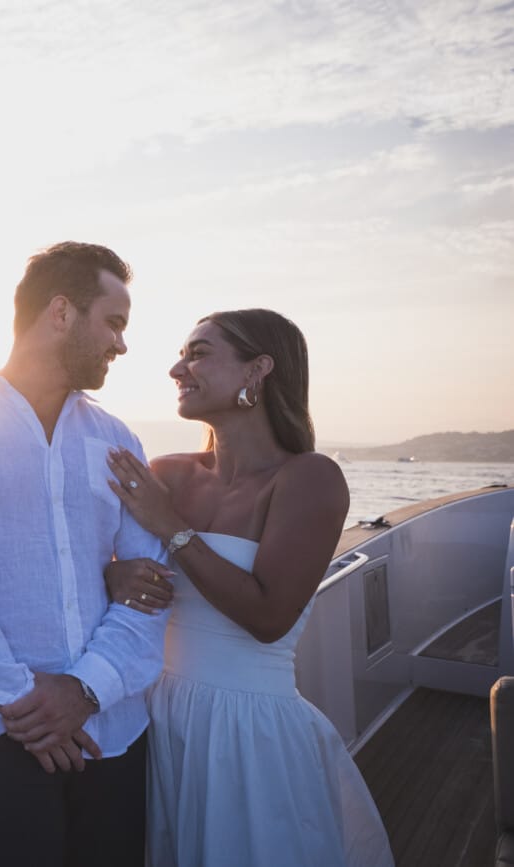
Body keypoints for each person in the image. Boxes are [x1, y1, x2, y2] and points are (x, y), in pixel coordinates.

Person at [0, 241, 170, 867]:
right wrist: (22, 698)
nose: (122, 345)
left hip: (115, 733)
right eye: (115, 322)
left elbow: (149, 590)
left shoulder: (116, 439)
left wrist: (86, 690)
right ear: (63, 312)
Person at [103, 308, 394, 867]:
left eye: (198, 353)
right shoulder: (165, 473)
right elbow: (106, 579)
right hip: (152, 717)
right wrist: (112, 573)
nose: (175, 369)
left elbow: (268, 619)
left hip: (245, 733)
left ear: (256, 370)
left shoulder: (309, 477)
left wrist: (172, 529)